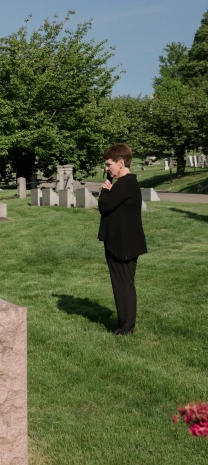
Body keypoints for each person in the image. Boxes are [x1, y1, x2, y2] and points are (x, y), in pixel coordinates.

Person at [98, 143, 147, 335]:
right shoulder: (126, 184)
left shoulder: (126, 184)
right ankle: (125, 325)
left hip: (122, 245)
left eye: (109, 164)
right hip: (123, 243)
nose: (107, 168)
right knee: (123, 285)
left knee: (123, 286)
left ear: (120, 163)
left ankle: (126, 328)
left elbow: (105, 206)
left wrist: (105, 190)